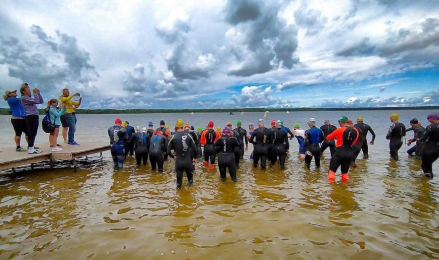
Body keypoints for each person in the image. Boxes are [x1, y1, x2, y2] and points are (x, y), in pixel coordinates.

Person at [326, 116, 359, 182]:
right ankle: (344, 188)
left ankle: (332, 189)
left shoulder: (340, 129)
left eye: (339, 122)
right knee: (345, 173)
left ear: (341, 122)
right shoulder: (356, 131)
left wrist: (337, 137)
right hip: (349, 153)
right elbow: (354, 142)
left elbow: (328, 137)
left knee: (332, 171)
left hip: (339, 153)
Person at [167, 119, 197, 189]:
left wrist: (173, 156)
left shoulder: (173, 137)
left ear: (176, 126)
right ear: (183, 126)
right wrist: (194, 158)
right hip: (188, 161)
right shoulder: (189, 136)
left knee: (178, 184)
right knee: (190, 182)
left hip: (179, 161)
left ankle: (179, 197)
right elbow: (195, 149)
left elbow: (168, 151)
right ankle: (189, 198)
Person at [20, 83, 44, 154]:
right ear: (23, 91)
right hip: (30, 116)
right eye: (28, 90)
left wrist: (38, 94)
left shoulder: (30, 98)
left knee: (34, 132)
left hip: (34, 115)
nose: (30, 91)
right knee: (32, 132)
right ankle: (30, 148)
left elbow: (41, 101)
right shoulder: (23, 98)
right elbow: (36, 101)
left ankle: (31, 147)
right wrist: (35, 93)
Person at [419, 112, 439, 178]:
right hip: (437, 150)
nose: (428, 120)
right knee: (426, 165)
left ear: (433, 118)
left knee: (427, 168)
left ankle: (427, 185)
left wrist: (418, 140)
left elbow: (422, 138)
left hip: (428, 148)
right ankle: (429, 184)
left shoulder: (430, 126)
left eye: (428, 119)